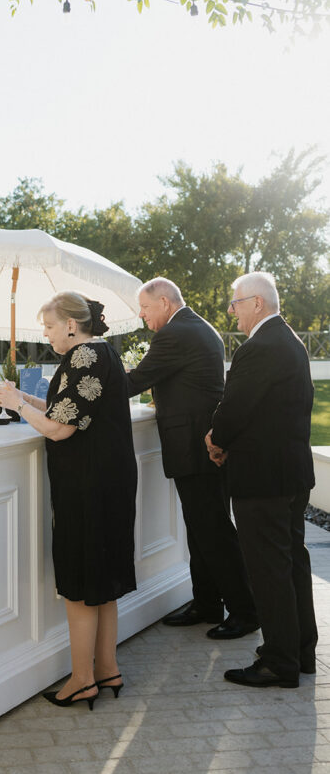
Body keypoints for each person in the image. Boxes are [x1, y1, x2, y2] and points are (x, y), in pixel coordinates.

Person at [0, 291, 137, 710]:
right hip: (110, 480)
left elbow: (60, 430)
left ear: (72, 325)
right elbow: (66, 411)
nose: (47, 333)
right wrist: (22, 399)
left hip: (87, 485)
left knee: (80, 580)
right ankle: (108, 669)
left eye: (50, 326)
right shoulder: (103, 353)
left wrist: (17, 404)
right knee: (104, 581)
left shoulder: (82, 358)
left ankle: (81, 679)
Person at [127, 278, 258, 639]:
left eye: (146, 307)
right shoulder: (197, 326)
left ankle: (246, 612)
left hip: (197, 447)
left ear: (166, 303)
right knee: (201, 528)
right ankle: (207, 602)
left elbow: (135, 380)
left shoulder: (174, 334)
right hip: (199, 445)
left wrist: (87, 381)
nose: (141, 315)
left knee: (213, 530)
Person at [206, 272, 317, 689]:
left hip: (263, 478)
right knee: (291, 563)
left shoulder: (261, 346)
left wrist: (215, 439)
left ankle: (278, 662)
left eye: (235, 303)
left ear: (256, 303)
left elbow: (235, 407)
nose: (231, 311)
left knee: (269, 569)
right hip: (289, 472)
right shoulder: (289, 340)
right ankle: (300, 651)